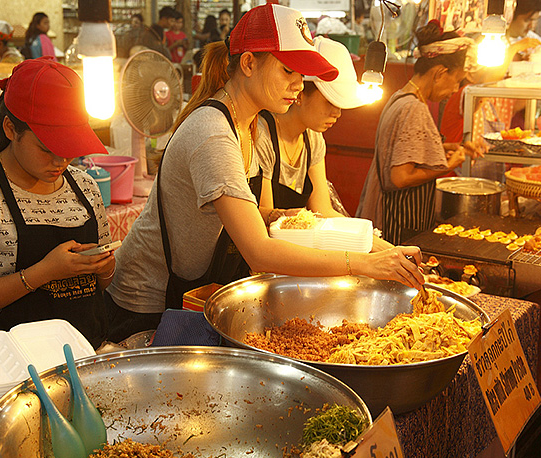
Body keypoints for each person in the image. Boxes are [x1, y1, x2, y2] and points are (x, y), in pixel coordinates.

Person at [105, 4, 424, 342]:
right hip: (144, 304)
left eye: (302, 75)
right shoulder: (213, 131)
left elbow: (244, 214)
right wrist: (365, 263)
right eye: (288, 71)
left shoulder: (249, 124)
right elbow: (257, 250)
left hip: (191, 292)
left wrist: (277, 216)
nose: (299, 86)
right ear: (248, 63)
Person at [0, 59, 114, 348]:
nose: (60, 161)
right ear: (11, 129)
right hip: (9, 361)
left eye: (69, 148)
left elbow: (101, 285)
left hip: (85, 350)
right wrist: (45, 272)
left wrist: (104, 268)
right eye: (46, 148)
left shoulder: (86, 187)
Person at [356, 21, 484, 245]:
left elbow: (402, 149)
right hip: (397, 222)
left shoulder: (401, 97)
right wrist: (447, 166)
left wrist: (449, 148)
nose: (456, 89)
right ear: (440, 73)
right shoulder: (413, 108)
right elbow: (401, 177)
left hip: (393, 214)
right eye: (456, 81)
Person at [254, 37, 367, 218]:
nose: (337, 113)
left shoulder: (313, 138)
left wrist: (369, 235)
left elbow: (322, 209)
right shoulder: (262, 136)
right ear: (299, 93)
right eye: (330, 102)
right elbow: (266, 223)